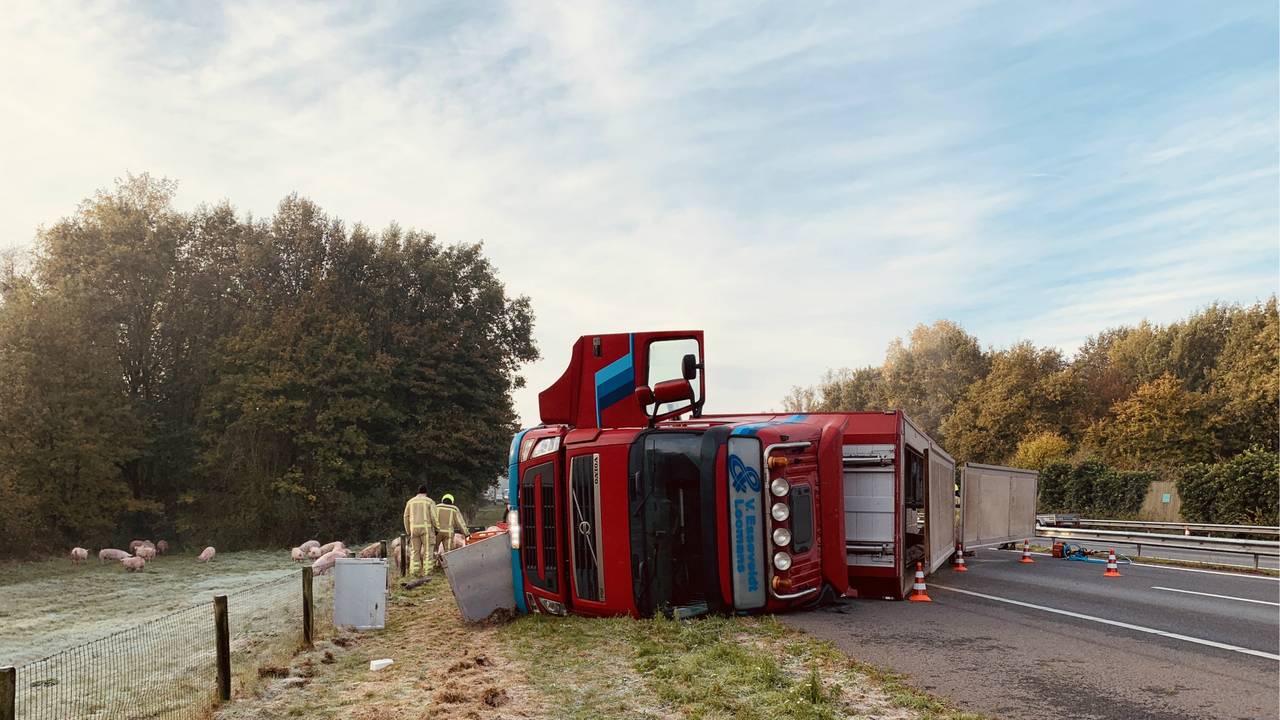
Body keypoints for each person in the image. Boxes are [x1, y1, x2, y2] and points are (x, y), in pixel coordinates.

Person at [402, 485, 437, 576]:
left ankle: (414, 572)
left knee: (414, 551)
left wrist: (408, 531)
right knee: (428, 551)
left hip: (414, 529)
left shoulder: (410, 502)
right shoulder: (429, 501)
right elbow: (434, 516)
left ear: (417, 492)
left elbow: (405, 517)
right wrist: (437, 528)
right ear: (426, 492)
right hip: (426, 529)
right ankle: (428, 572)